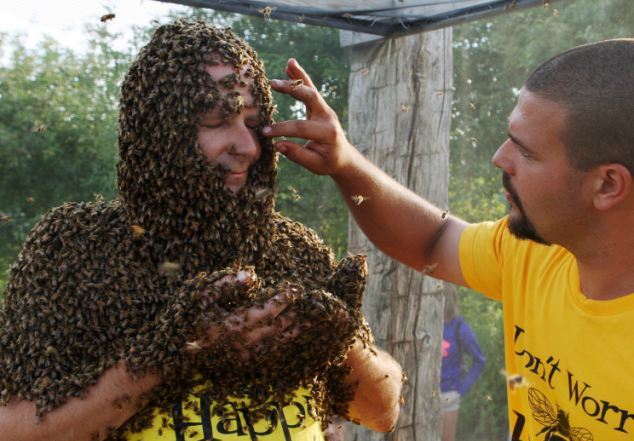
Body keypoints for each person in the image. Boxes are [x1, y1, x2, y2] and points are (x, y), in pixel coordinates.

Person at [0, 20, 403, 441]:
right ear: (159, 130)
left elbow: (382, 412)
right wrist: (167, 357)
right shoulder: (75, 249)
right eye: (217, 120)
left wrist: (342, 340)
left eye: (253, 122)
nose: (246, 146)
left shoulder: (293, 250)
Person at [262, 39, 634, 441]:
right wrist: (344, 162)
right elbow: (433, 241)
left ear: (607, 185)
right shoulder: (535, 253)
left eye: (526, 153)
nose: (499, 157)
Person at [440, 286, 485, 441]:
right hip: (422, 392)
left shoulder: (460, 328)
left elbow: (479, 361)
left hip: (448, 395)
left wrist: (460, 389)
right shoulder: (425, 321)